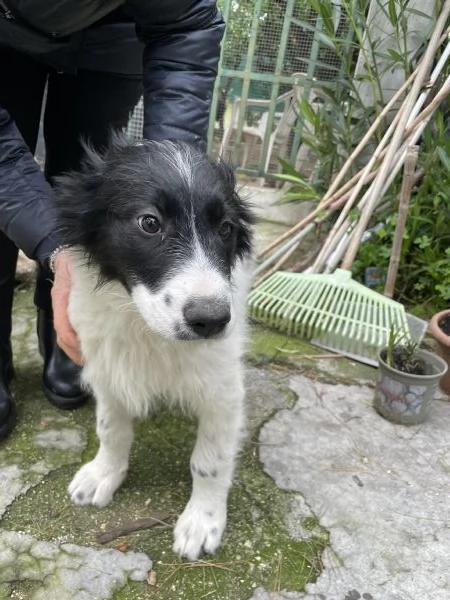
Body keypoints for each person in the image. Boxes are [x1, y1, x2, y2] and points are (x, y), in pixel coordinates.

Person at [0, 0, 225, 440]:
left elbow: (189, 24)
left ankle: (66, 329)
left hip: (114, 40)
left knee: (89, 181)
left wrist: (167, 189)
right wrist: (53, 243)